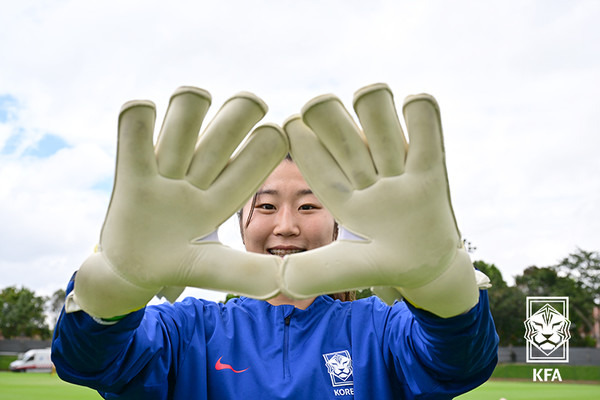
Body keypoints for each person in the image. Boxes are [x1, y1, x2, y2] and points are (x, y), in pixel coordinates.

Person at [51, 84, 499, 399]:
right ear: (240, 220)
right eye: (265, 206)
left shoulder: (382, 329)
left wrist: (444, 291)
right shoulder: (188, 330)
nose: (286, 226)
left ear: (340, 223)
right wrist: (112, 291)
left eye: (308, 206)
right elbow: (91, 362)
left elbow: (457, 363)